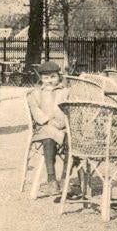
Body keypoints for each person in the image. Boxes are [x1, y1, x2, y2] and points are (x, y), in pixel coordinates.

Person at [26, 61, 69, 197]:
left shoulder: (66, 92)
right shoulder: (36, 93)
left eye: (53, 77)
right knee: (49, 139)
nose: (50, 81)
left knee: (73, 142)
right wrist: (48, 121)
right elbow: (35, 110)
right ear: (41, 79)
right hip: (45, 127)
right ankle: (51, 179)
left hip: (63, 127)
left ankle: (65, 178)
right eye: (46, 78)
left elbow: (71, 109)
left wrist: (63, 123)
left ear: (59, 77)